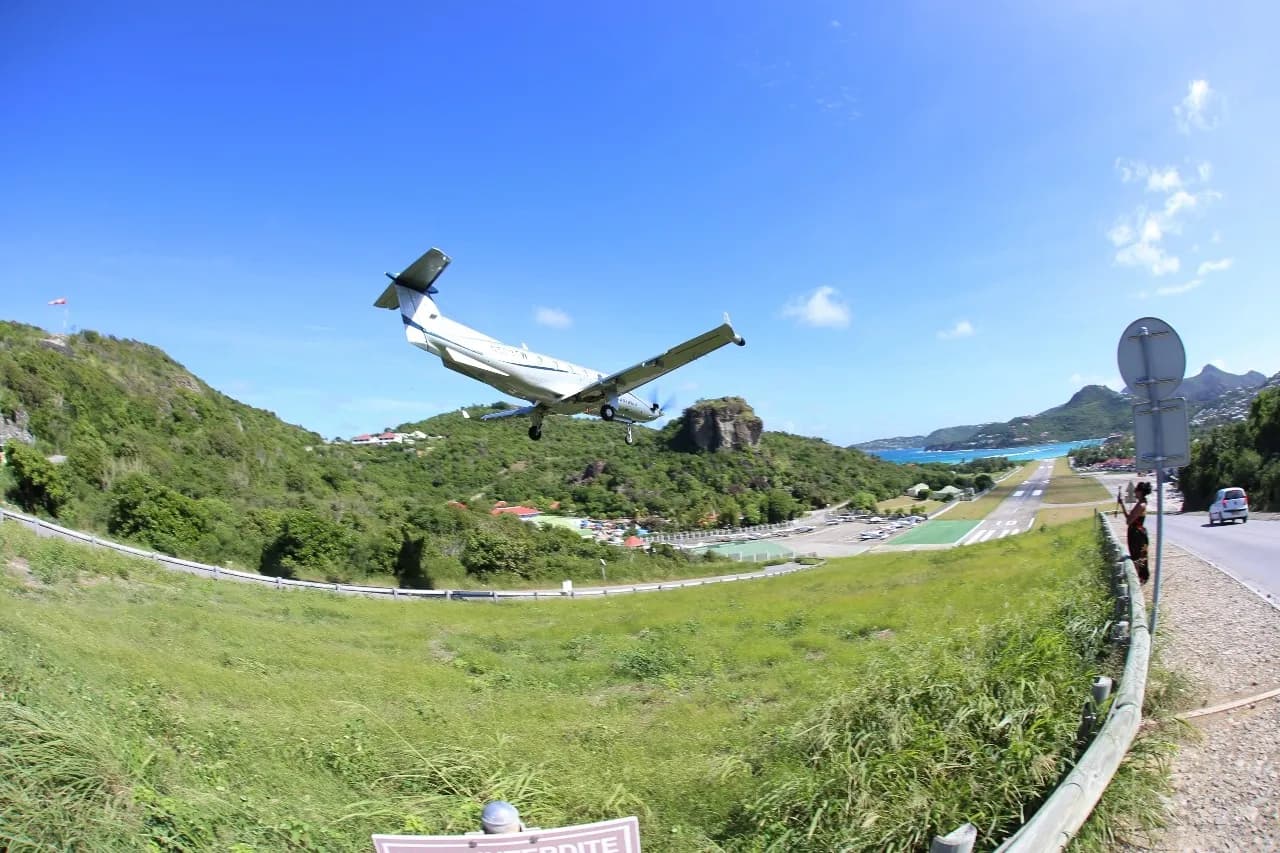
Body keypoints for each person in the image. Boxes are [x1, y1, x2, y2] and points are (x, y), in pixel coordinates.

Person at [1120, 480, 1152, 584]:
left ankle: (1138, 580)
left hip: (1137, 535)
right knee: (1138, 557)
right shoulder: (1141, 504)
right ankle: (1138, 579)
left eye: (1136, 491)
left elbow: (1129, 520)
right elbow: (1129, 520)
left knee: (1138, 557)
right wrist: (1122, 505)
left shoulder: (1141, 505)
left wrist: (1123, 507)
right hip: (1136, 533)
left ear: (1140, 492)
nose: (1134, 492)